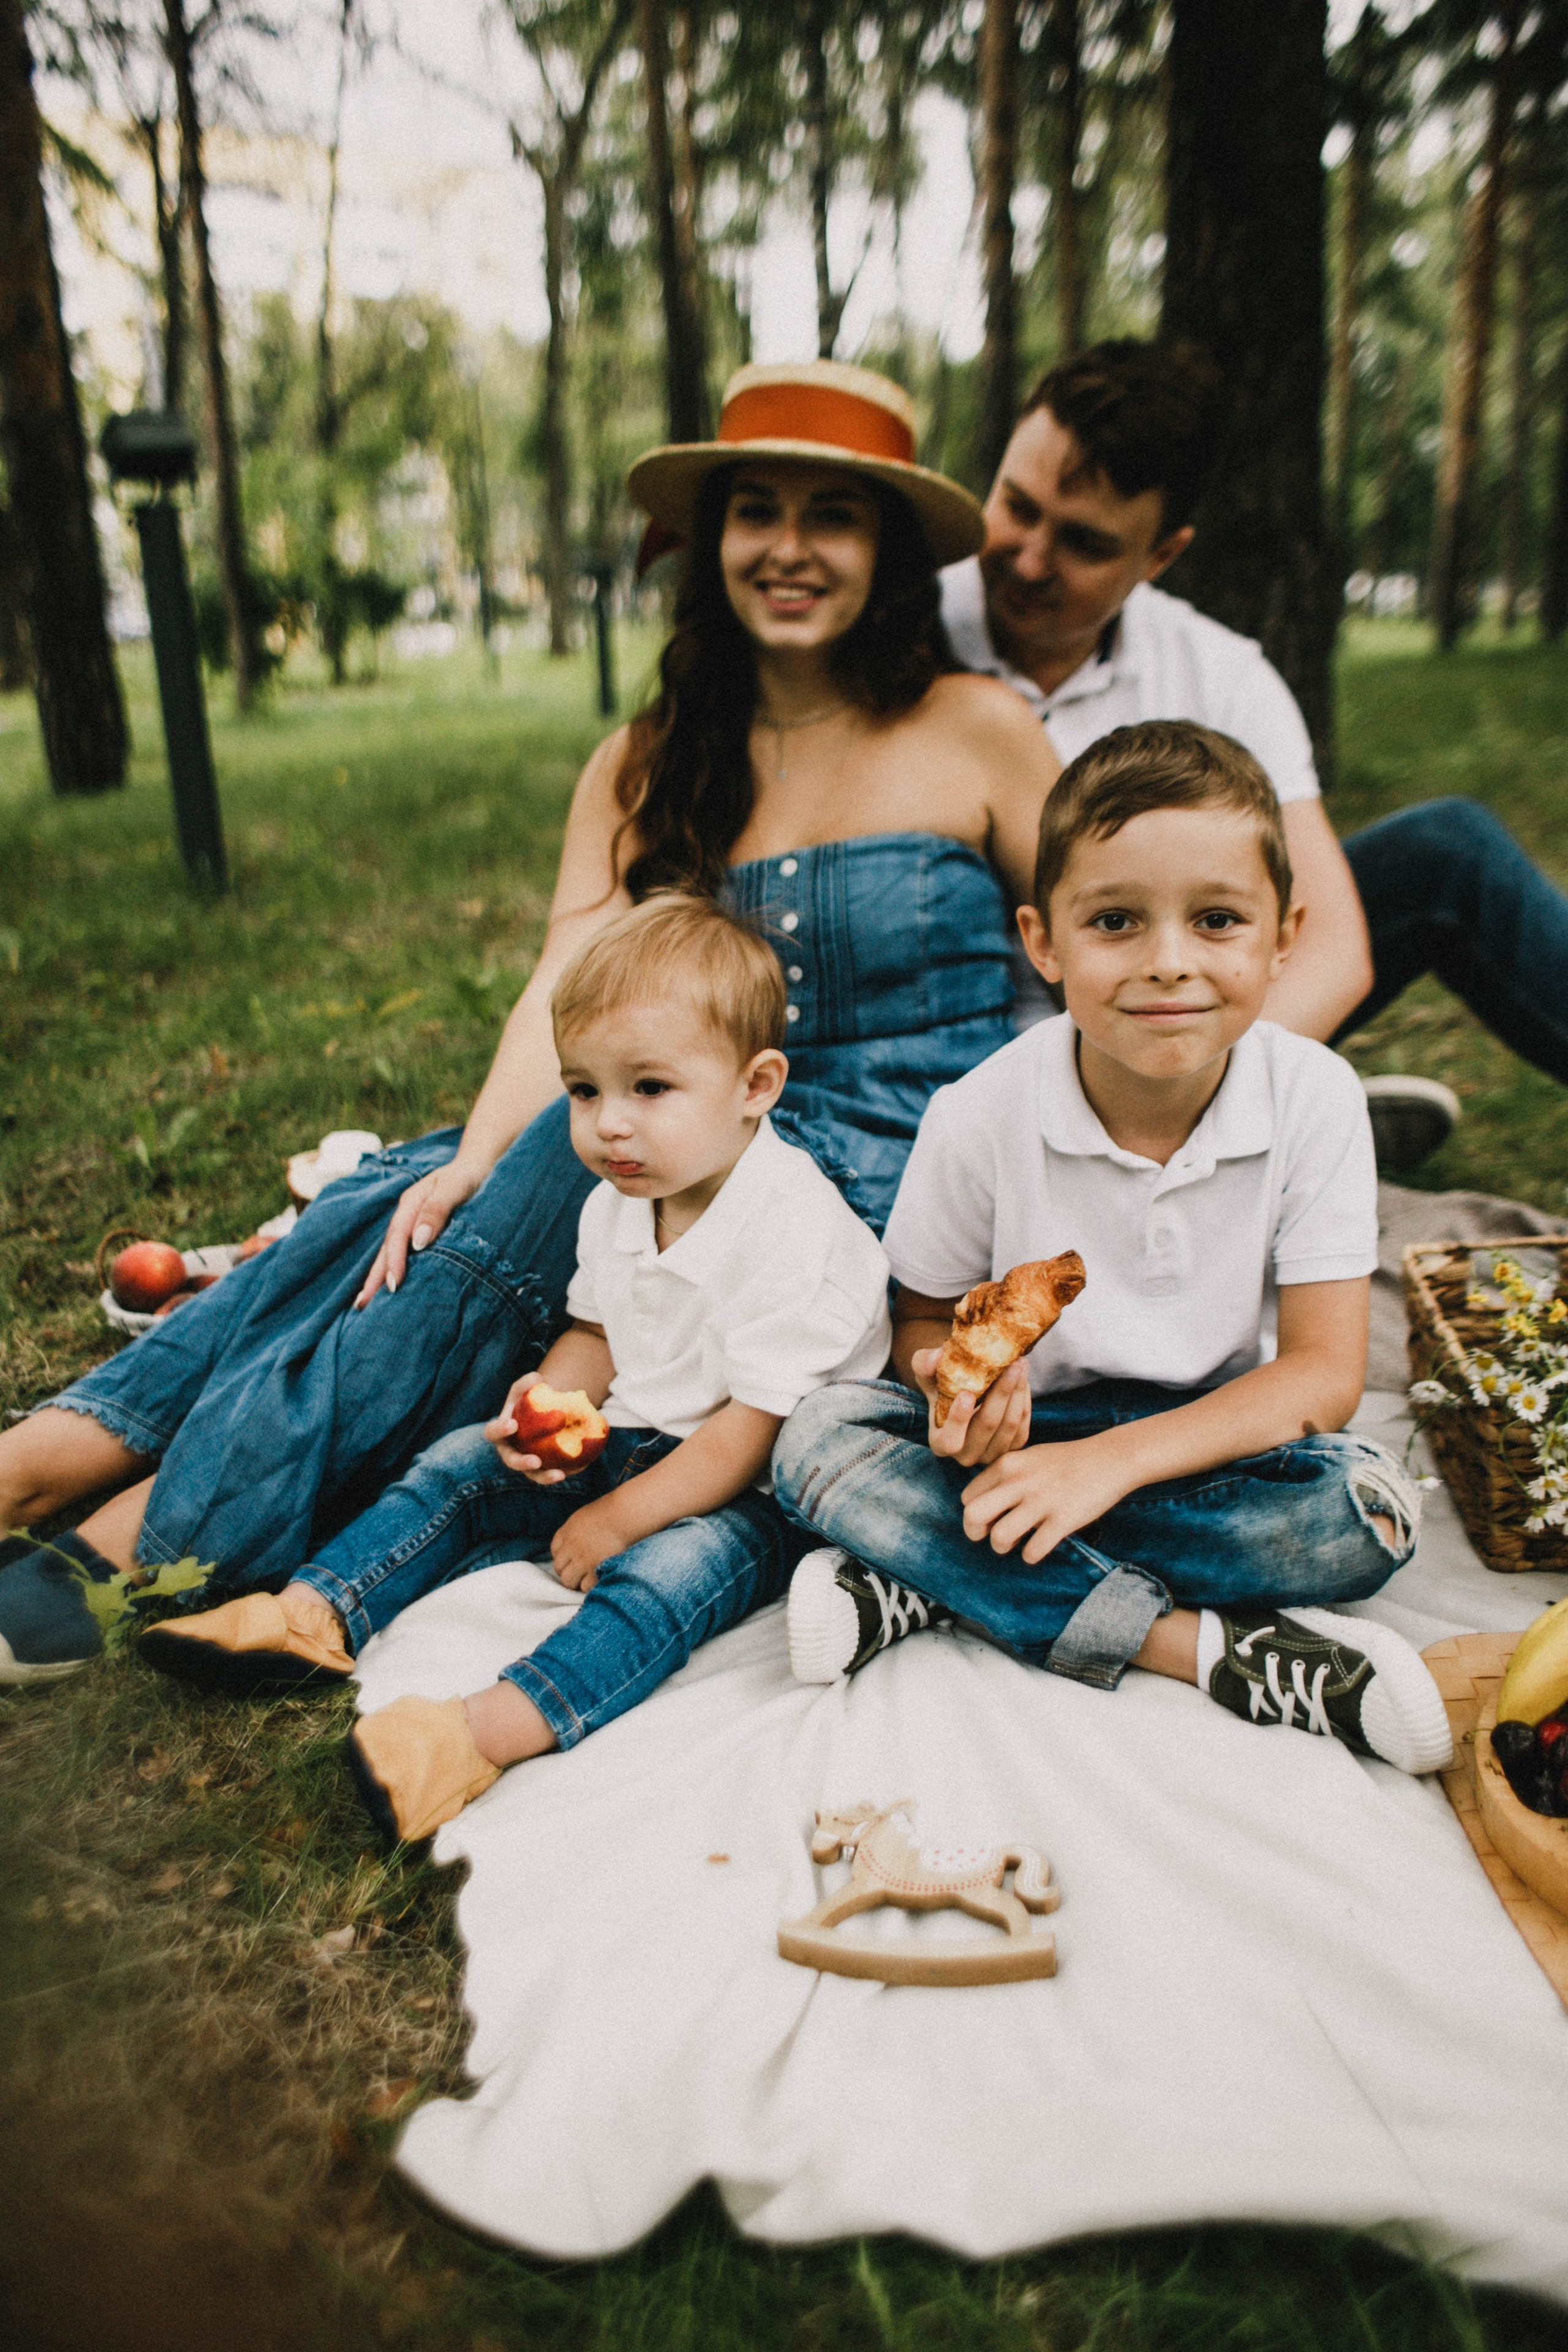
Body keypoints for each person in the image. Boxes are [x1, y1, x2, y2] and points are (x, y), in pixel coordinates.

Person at [0, 358, 1059, 1684]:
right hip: (679, 1126)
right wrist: (470, 1154)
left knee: (543, 1170)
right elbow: (572, 970)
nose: (788, 548)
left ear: (887, 549)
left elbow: (1093, 951)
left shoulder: (979, 732)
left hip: (872, 1195)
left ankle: (147, 1520)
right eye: (755, 510)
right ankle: (64, 1462)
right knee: (410, 1196)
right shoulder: (649, 753)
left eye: (831, 515)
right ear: (710, 538)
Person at [773, 720, 1452, 1778]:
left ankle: (936, 1573)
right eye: (1118, 922)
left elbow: (1324, 1375)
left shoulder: (1315, 1098)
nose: (1168, 964)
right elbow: (918, 1319)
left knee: (1369, 1513)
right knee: (817, 1442)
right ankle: (1202, 1650)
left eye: (1218, 920)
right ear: (1044, 943)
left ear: (1283, 940)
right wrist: (957, 1388)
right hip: (1031, 1432)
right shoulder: (981, 1112)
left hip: (1211, 1446)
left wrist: (1105, 1468)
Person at [137, 899, 892, 1843]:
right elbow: (597, 1331)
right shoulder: (626, 1196)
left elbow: (751, 1430)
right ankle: (311, 1611)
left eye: (650, 1088)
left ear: (757, 1084)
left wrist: (622, 1514)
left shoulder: (794, 1229)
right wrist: (550, 1403)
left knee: (670, 1573)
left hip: (761, 1481)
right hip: (648, 1434)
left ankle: (482, 1732)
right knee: (461, 1466)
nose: (609, 1125)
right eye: (584, 1091)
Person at [943, 338, 1568, 1169]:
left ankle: (1261, 1118)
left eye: (1084, 545)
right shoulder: (899, 622)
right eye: (1016, 507)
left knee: (1448, 851)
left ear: (1161, 555)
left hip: (1174, 1030)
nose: (1026, 559)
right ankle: (1289, 1124)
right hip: (972, 1028)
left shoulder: (1217, 672)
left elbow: (1335, 947)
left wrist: (1184, 1090)